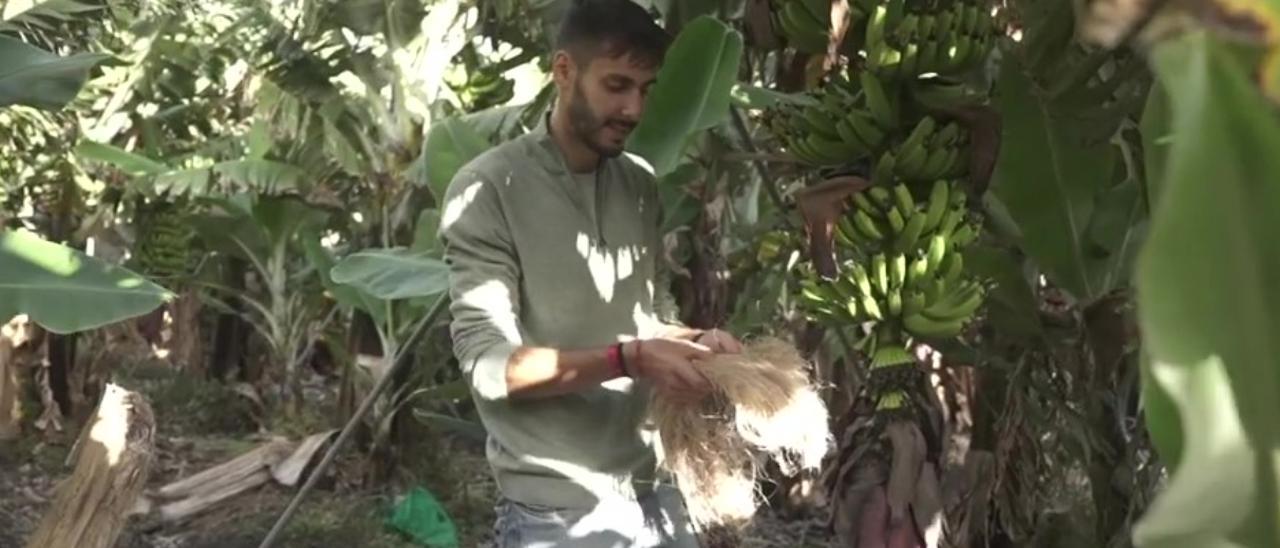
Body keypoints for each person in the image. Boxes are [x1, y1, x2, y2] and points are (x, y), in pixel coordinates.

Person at [437, 0, 745, 546]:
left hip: (656, 491)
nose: (633, 108)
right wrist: (627, 358)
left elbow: (647, 320)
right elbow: (491, 368)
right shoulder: (487, 189)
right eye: (617, 85)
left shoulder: (640, 184)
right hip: (557, 512)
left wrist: (696, 344)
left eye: (646, 90)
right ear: (563, 71)